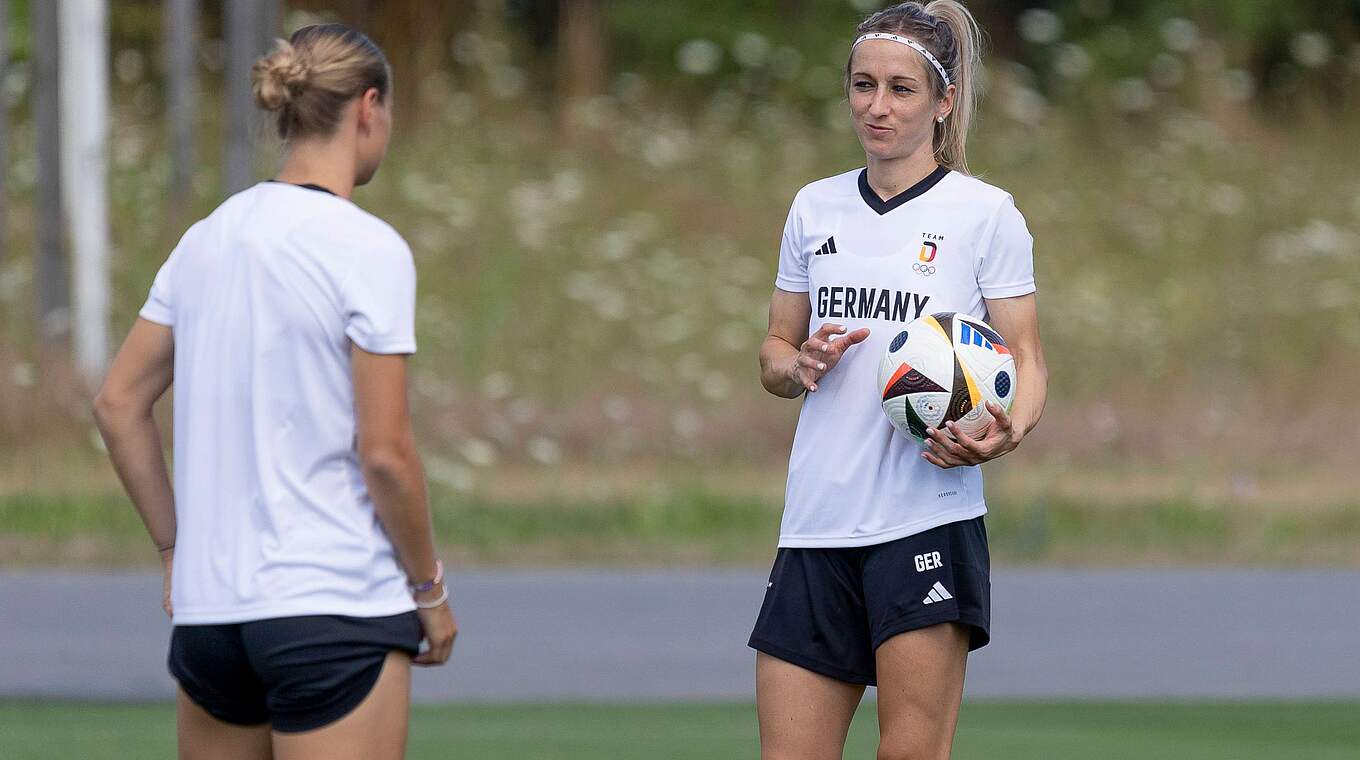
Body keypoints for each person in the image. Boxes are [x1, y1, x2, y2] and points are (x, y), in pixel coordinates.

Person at [92, 24, 455, 760]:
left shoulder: (206, 239)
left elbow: (118, 402)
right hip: (333, 609)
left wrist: (174, 549)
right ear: (368, 108)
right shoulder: (366, 247)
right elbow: (385, 454)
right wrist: (430, 592)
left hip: (211, 618)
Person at [750, 3, 1048, 758]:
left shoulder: (985, 215)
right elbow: (774, 353)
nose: (876, 107)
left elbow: (1026, 360)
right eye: (862, 85)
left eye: (901, 90)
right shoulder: (813, 206)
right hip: (815, 525)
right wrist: (799, 364)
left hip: (925, 524)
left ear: (944, 101)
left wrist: (1005, 434)